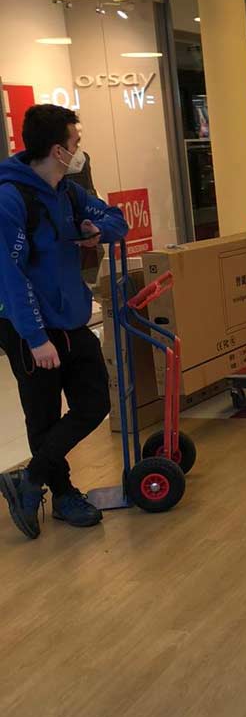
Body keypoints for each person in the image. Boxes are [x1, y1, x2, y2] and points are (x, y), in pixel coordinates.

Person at [0, 104, 128, 539]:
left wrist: (97, 230)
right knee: (42, 415)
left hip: (71, 318)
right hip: (29, 327)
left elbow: (117, 220)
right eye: (76, 142)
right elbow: (9, 276)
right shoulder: (11, 199)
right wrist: (35, 337)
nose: (79, 150)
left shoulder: (69, 192)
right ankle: (63, 494)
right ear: (58, 150)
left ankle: (29, 479)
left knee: (94, 403)